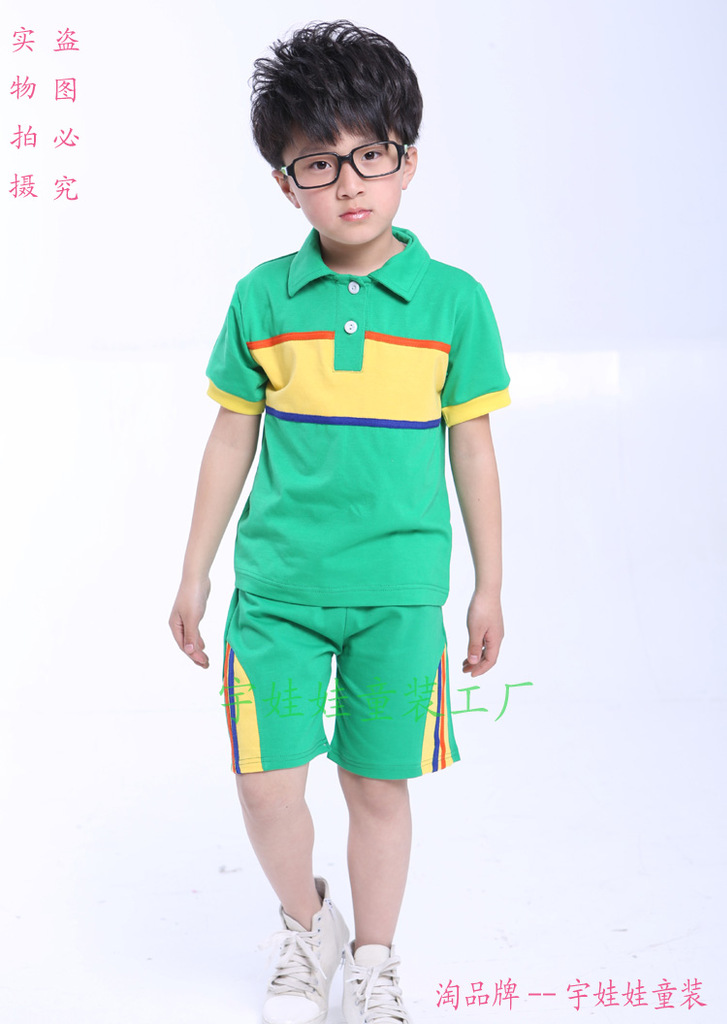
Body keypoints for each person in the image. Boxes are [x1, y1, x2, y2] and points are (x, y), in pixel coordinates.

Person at [169, 19, 510, 1024]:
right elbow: (230, 438)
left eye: (371, 154)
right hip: (276, 590)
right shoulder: (262, 298)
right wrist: (193, 571)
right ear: (287, 184)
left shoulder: (453, 303)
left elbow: (473, 450)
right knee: (265, 781)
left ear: (408, 159)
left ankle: (372, 958)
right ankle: (306, 921)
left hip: (398, 595)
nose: (348, 182)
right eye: (318, 163)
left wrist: (489, 585)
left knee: (375, 784)